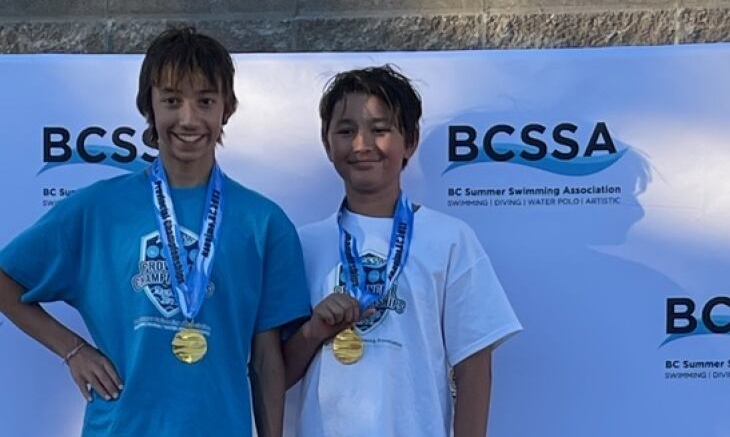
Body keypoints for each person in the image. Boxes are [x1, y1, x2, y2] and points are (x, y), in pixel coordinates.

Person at [0, 27, 310, 436]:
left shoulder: (264, 222)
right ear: (149, 106)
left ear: (227, 108)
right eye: (171, 100)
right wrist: (72, 350)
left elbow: (267, 359)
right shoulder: (98, 209)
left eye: (205, 101)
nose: (188, 118)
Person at [283, 66, 522, 437]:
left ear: (409, 140)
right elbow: (276, 373)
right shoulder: (302, 244)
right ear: (327, 141)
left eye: (380, 130)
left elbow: (474, 366)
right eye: (346, 131)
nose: (362, 145)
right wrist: (314, 330)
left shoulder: (450, 239)